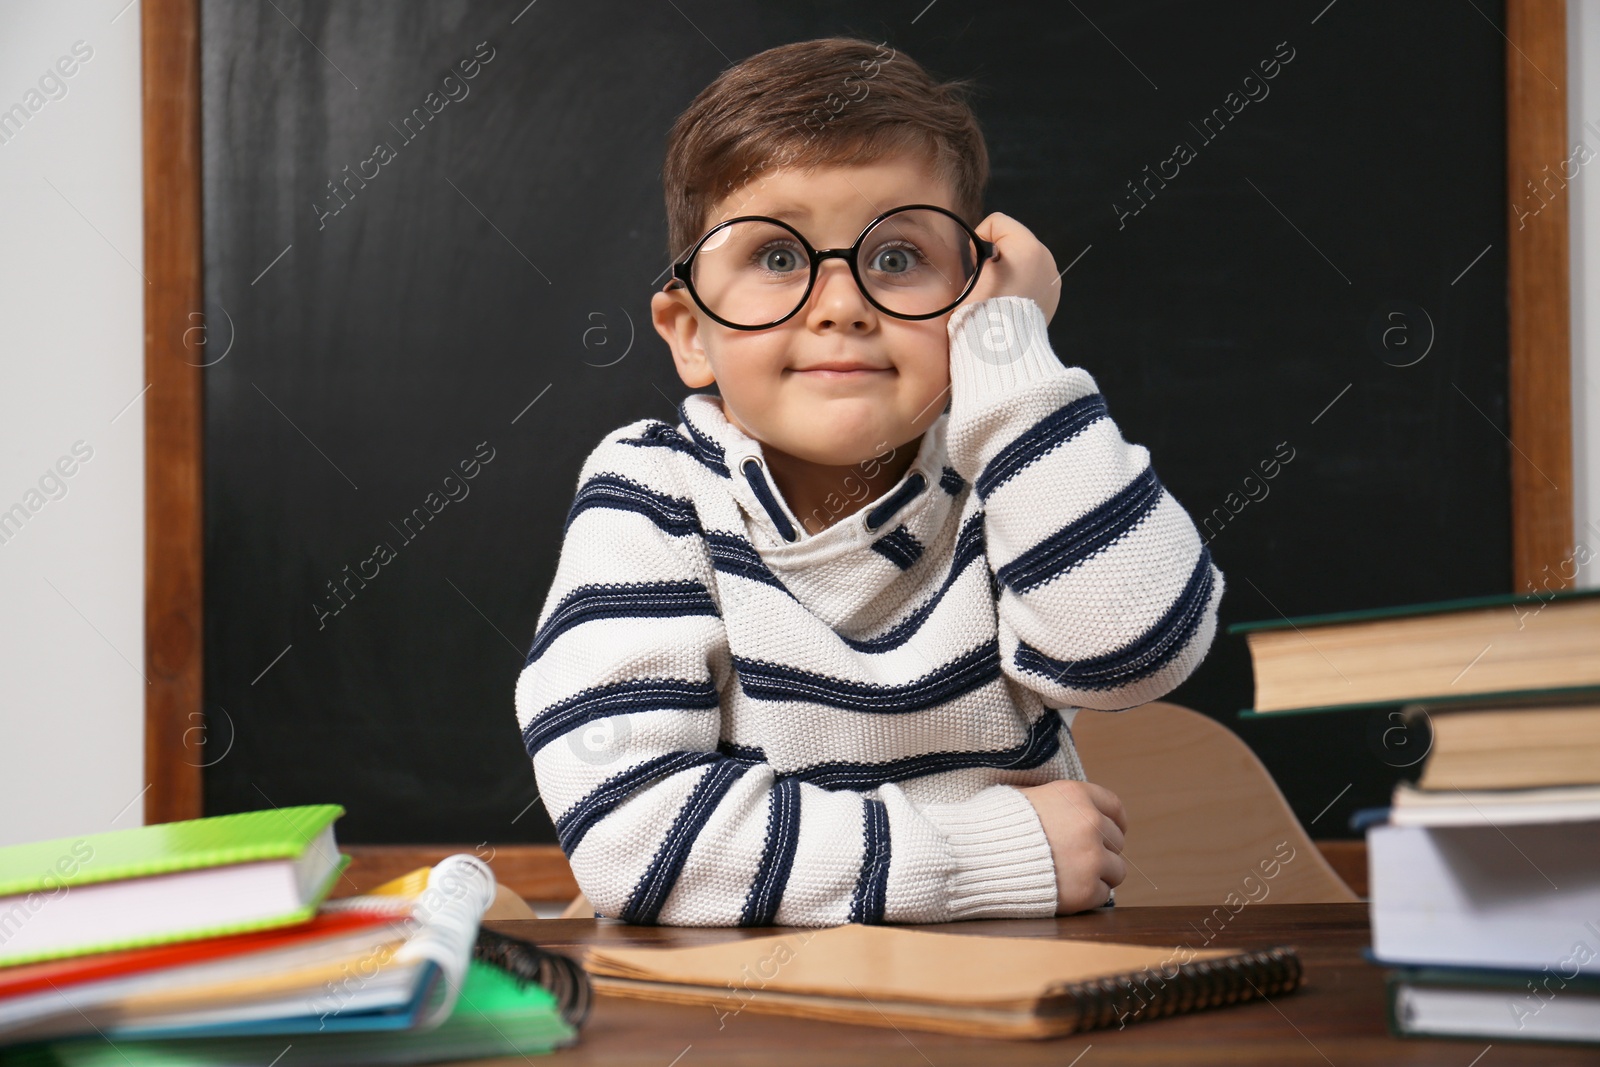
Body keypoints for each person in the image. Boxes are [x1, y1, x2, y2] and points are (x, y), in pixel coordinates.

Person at [514, 36, 1224, 926]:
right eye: (777, 258)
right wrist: (986, 855)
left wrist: (1008, 348)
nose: (842, 303)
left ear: (969, 299)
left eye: (897, 258)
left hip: (1016, 1006)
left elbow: (1136, 649)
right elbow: (639, 838)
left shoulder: (1011, 474)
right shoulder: (654, 495)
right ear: (690, 330)